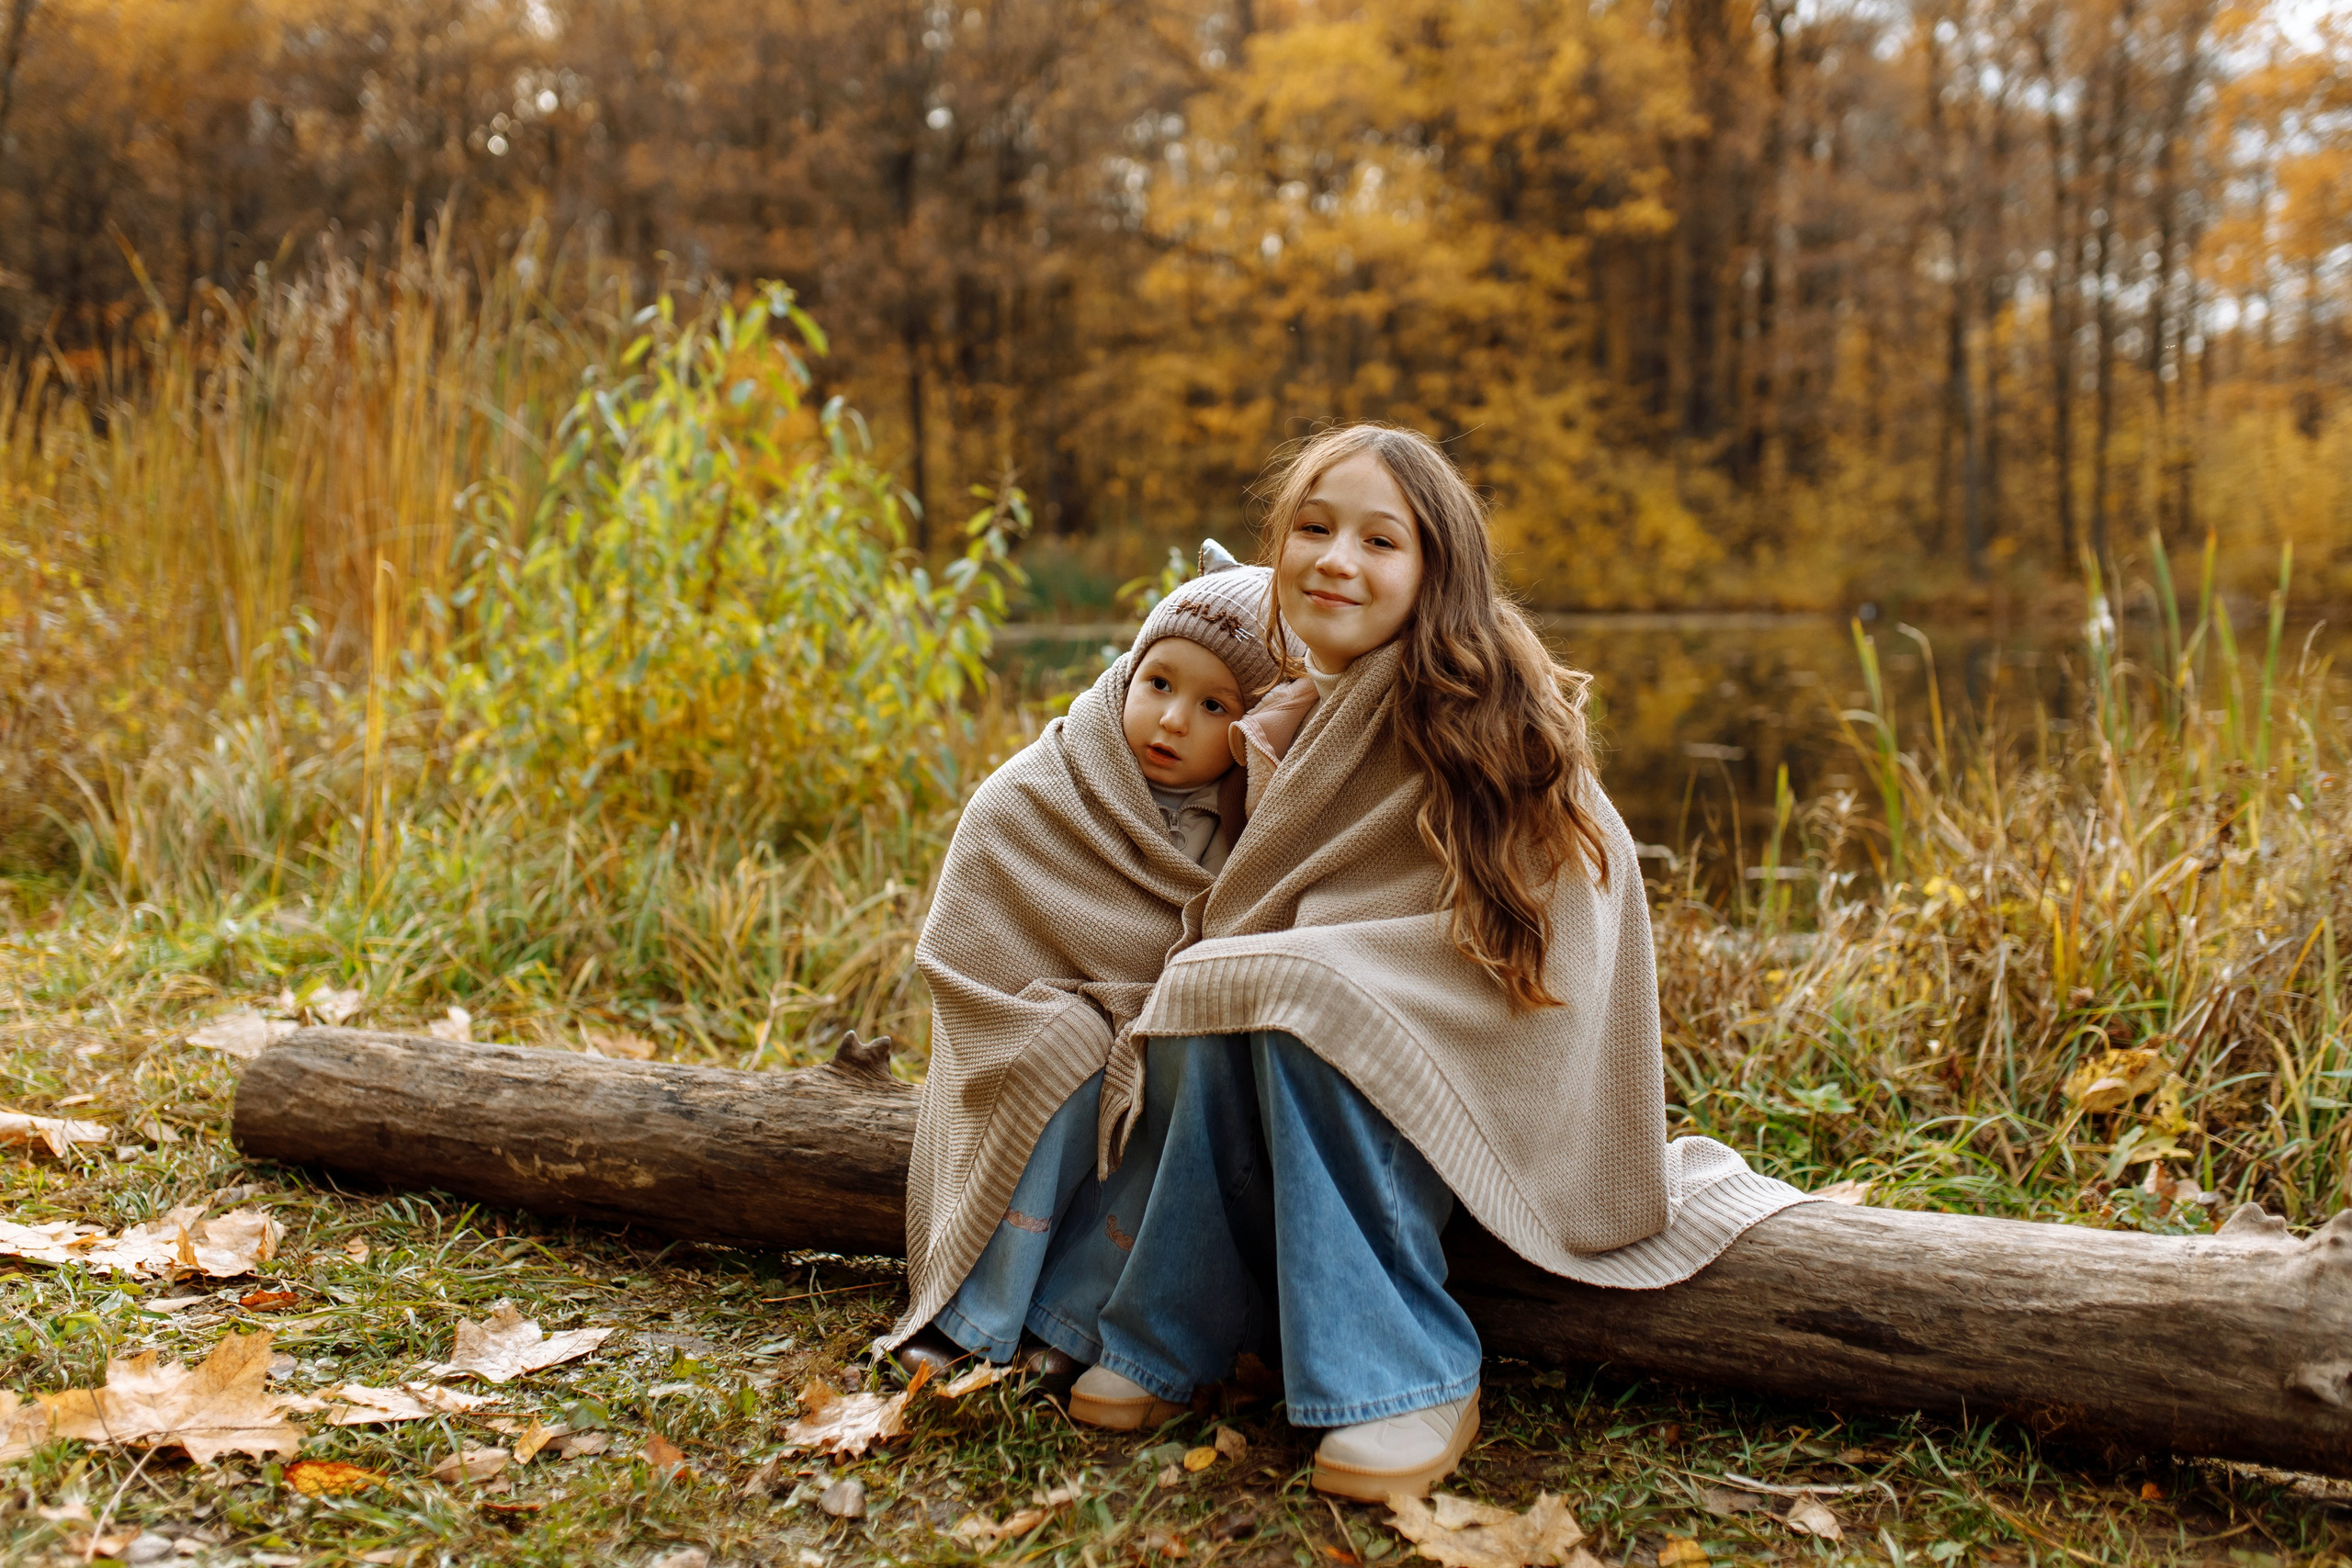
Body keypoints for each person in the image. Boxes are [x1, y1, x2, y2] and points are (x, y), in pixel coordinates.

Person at [889, 424, 1804, 1499]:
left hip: (1483, 1028)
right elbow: (1262, 896)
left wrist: (1327, 969)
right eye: (1313, 529)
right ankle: (1166, 1333)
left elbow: (1559, 910)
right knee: (1208, 992)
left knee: (1292, 997)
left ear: (1434, 570)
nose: (1336, 560)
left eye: (1380, 540)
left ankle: (1402, 1372)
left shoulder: (1484, 705)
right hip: (1349, 1006)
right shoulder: (1298, 706)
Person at [888, 546, 1301, 1400]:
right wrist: (1064, 1011)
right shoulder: (1048, 784)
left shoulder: (1257, 821)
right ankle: (971, 1318)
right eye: (1159, 683)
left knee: (1174, 1073)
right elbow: (972, 933)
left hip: (1155, 1018)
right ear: (1127, 674)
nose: (1171, 720)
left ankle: (1070, 1320)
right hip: (1033, 1009)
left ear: (1253, 727)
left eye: (1214, 705)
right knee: (1063, 1051)